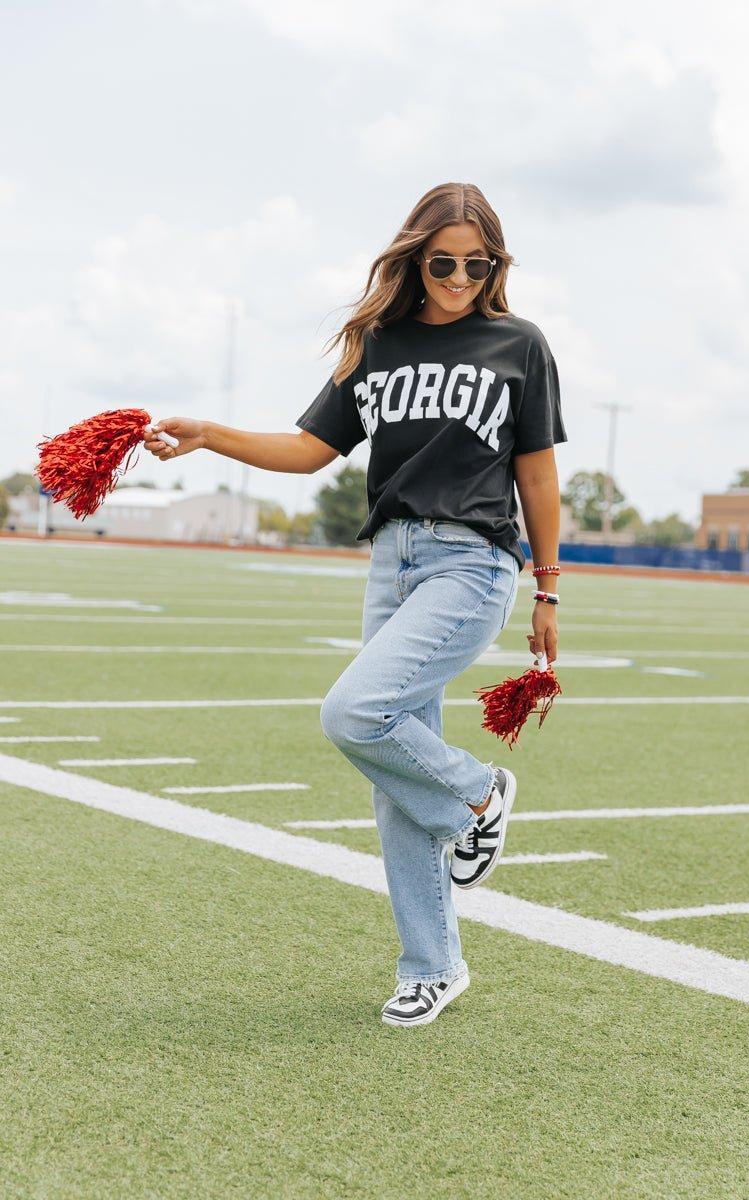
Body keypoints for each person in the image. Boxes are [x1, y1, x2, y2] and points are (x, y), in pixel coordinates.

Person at [143, 181, 567, 1029]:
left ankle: (482, 796)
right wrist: (208, 434)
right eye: (441, 262)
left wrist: (549, 585)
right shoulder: (379, 343)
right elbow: (310, 450)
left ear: (496, 263)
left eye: (475, 264)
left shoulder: (519, 344)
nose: (457, 278)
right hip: (393, 563)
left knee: (354, 713)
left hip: (471, 562)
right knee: (394, 782)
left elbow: (537, 473)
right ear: (416, 258)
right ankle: (431, 967)